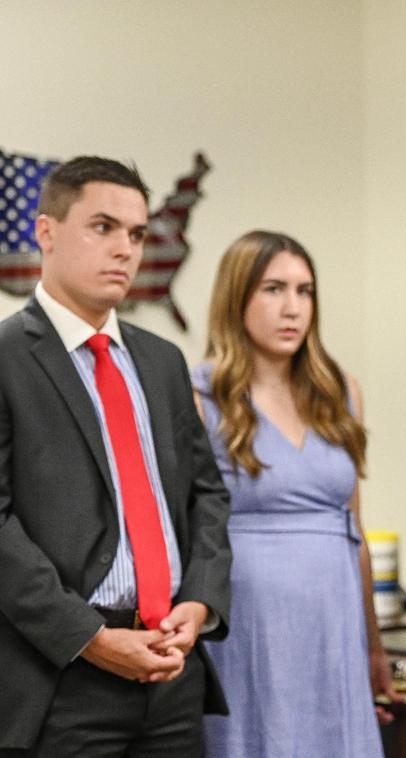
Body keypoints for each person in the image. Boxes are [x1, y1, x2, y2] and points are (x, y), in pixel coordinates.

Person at [0, 156, 232, 756]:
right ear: (46, 233)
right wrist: (90, 637)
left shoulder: (162, 361)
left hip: (174, 672)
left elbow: (205, 494)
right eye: (103, 228)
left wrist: (200, 600)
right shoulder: (6, 360)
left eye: (136, 234)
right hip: (63, 678)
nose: (126, 249)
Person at [193, 230, 400, 757]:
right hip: (249, 623)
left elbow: (355, 531)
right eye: (273, 289)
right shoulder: (202, 394)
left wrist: (374, 646)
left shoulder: (338, 389)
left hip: (335, 621)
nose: (293, 308)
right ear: (236, 296)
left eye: (305, 291)